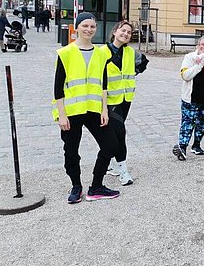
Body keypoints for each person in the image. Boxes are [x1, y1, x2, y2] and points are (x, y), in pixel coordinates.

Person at [53, 12, 120, 203]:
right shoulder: (65, 53)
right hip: (72, 112)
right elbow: (58, 87)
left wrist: (104, 109)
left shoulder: (100, 53)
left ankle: (96, 186)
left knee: (110, 145)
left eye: (92, 26)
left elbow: (103, 83)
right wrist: (62, 115)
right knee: (71, 151)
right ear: (77, 28)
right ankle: (76, 186)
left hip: (94, 109)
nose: (89, 29)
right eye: (85, 26)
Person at [101, 21, 149, 186]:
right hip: (109, 101)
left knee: (115, 134)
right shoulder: (102, 52)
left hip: (125, 99)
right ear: (115, 31)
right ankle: (123, 170)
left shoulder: (131, 52)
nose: (126, 34)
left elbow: (144, 62)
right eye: (123, 31)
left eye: (129, 32)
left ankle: (113, 165)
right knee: (120, 134)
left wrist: (135, 71)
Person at [172, 35, 204, 160]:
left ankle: (197, 145)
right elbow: (185, 75)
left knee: (202, 123)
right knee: (188, 123)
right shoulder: (189, 57)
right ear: (198, 45)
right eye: (202, 44)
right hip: (191, 98)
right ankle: (182, 147)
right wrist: (198, 65)